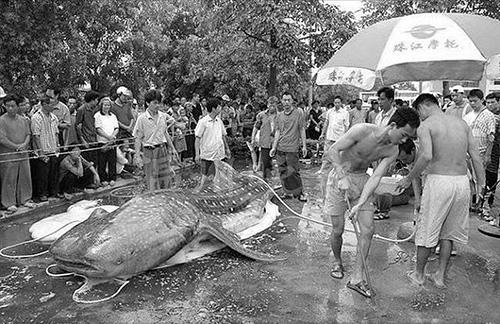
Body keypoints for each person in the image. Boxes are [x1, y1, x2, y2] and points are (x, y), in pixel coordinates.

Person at [324, 107, 419, 298]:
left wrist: (360, 203)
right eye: (403, 135)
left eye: (408, 138)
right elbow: (332, 150)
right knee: (338, 229)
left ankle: (357, 278)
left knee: (368, 230)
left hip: (362, 181)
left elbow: (375, 176)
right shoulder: (361, 130)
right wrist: (342, 177)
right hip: (339, 178)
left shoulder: (392, 150)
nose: (404, 141)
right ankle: (337, 260)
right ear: (393, 125)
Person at [398, 93, 484, 289]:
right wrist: (481, 184)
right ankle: (439, 276)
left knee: (427, 230)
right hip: (462, 182)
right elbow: (475, 155)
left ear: (423, 107)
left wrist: (409, 178)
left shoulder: (426, 126)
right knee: (448, 234)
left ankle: (419, 275)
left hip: (439, 182)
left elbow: (426, 155)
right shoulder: (461, 124)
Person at [133, 89, 178, 191]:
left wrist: (173, 148)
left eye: (159, 103)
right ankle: (155, 202)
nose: (158, 105)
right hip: (149, 151)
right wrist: (137, 156)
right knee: (152, 180)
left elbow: (165, 133)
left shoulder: (162, 116)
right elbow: (138, 138)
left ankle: (166, 199)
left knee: (166, 178)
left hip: (162, 149)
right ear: (148, 103)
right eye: (155, 103)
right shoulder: (142, 118)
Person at [270, 92, 307, 202]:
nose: (286, 102)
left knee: (293, 172)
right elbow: (277, 131)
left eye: (288, 100)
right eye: (284, 100)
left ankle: (300, 193)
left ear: (292, 101)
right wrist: (273, 147)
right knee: (283, 171)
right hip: (281, 148)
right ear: (281, 101)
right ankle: (287, 192)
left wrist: (304, 146)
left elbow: (301, 129)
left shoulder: (298, 113)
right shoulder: (279, 115)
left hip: (292, 148)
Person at [0, 95, 33, 212]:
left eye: (13, 106)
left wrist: (24, 144)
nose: (10, 108)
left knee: (25, 176)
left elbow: (28, 134)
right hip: (8, 154)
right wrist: (15, 147)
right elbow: (2, 139)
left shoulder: (23, 120)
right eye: (7, 106)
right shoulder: (2, 120)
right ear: (4, 106)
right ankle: (8, 202)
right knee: (9, 178)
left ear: (17, 106)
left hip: (23, 152)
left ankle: (25, 199)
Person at [194, 97, 231, 192]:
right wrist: (197, 154)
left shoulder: (219, 121)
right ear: (213, 108)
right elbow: (197, 139)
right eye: (219, 106)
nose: (220, 108)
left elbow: (223, 136)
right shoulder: (203, 122)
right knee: (205, 177)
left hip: (219, 154)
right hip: (207, 155)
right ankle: (199, 194)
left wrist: (227, 149)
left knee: (219, 177)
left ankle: (216, 194)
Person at [31, 95, 61, 202]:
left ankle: (54, 192)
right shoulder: (36, 117)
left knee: (53, 173)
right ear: (44, 104)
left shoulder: (54, 117)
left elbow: (57, 133)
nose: (54, 106)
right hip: (43, 150)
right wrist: (41, 152)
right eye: (52, 104)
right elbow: (36, 135)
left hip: (53, 149)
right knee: (42, 174)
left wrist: (58, 146)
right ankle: (42, 194)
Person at [319, 97, 350, 200]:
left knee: (339, 165)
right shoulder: (329, 112)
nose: (337, 104)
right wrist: (322, 134)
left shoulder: (345, 113)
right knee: (325, 166)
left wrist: (346, 141)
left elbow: (346, 127)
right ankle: (324, 195)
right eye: (335, 102)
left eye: (338, 102)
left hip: (339, 141)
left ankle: (339, 193)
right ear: (334, 103)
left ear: (341, 103)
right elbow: (326, 124)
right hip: (329, 140)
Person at [482, 93, 500, 221]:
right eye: (487, 102)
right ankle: (486, 207)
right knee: (490, 177)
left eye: (492, 102)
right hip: (490, 152)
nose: (489, 105)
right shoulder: (485, 116)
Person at [94, 97, 119, 187]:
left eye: (108, 105)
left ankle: (112, 178)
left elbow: (116, 128)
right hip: (102, 141)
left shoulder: (113, 116)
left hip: (112, 141)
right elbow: (98, 129)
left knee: (112, 161)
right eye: (105, 105)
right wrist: (108, 137)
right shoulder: (97, 115)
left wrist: (112, 136)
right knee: (102, 162)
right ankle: (103, 178)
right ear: (101, 105)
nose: (106, 107)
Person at [252, 96, 278, 181]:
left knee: (278, 163)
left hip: (277, 143)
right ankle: (266, 181)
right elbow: (256, 127)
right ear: (267, 105)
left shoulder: (280, 116)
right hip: (265, 142)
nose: (272, 106)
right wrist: (253, 139)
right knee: (266, 163)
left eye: (274, 104)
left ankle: (278, 182)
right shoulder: (261, 115)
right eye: (271, 104)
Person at [75, 91, 100, 165]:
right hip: (86, 140)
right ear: (92, 100)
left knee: (95, 162)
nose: (97, 101)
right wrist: (83, 140)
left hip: (95, 140)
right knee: (87, 163)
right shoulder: (81, 110)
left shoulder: (96, 109)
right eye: (96, 99)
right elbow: (77, 126)